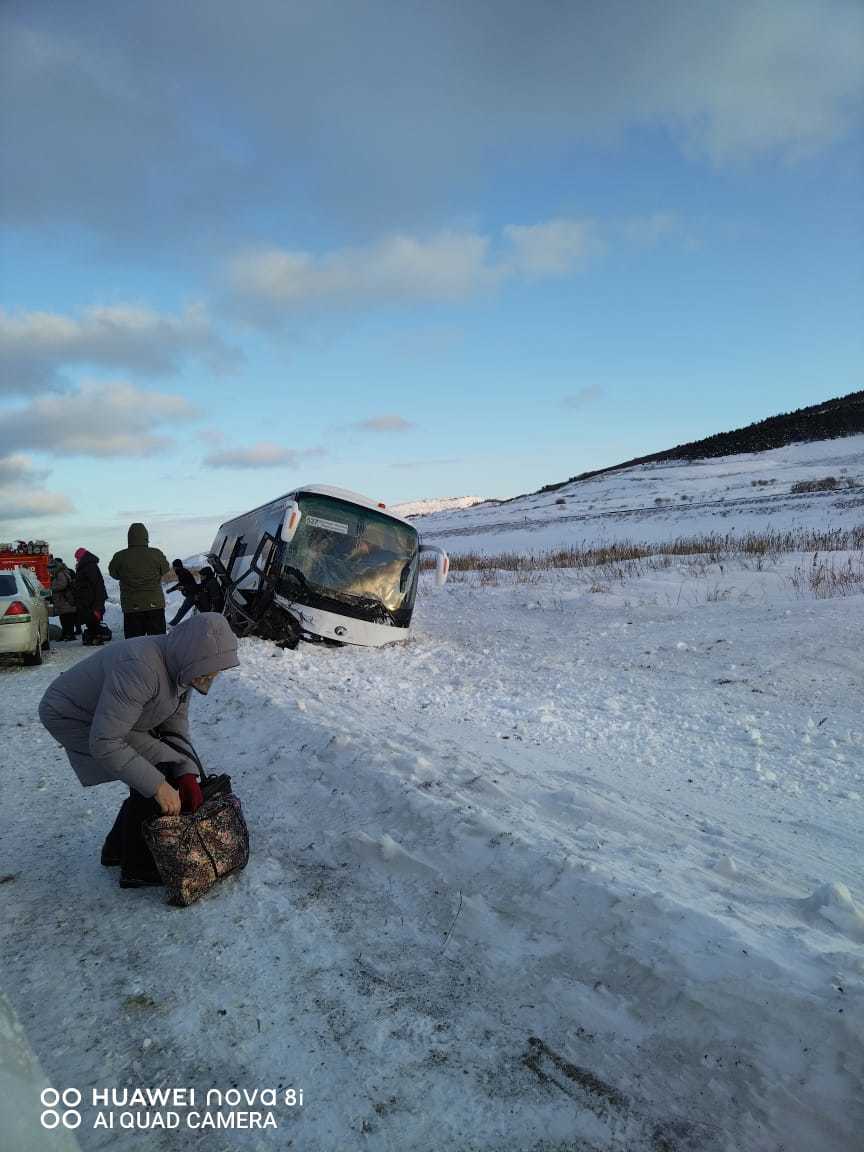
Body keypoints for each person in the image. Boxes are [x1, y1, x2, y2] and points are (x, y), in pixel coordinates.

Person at [38, 613, 239, 889]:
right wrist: (158, 786)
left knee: (164, 767)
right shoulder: (141, 668)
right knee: (153, 774)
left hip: (112, 716)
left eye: (216, 670)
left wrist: (187, 774)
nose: (211, 677)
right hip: (72, 714)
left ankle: (116, 850)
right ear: (191, 654)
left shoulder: (185, 667)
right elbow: (106, 741)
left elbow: (174, 727)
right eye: (208, 670)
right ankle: (138, 867)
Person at [109, 522, 170, 638]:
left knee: (134, 643)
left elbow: (114, 574)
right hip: (154, 604)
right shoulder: (156, 553)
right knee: (158, 641)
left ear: (129, 538)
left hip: (131, 605)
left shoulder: (120, 556)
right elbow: (165, 569)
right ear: (146, 537)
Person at [73, 547, 108, 646]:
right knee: (91, 621)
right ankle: (93, 638)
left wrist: (97, 604)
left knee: (93, 620)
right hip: (88, 601)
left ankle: (96, 639)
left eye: (77, 558)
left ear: (82, 557)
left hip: (92, 601)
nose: (77, 560)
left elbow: (97, 585)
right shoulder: (87, 566)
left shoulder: (89, 566)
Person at [49, 557, 77, 641]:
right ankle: (66, 634)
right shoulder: (61, 572)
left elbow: (62, 585)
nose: (49, 571)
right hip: (64, 600)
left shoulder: (60, 574)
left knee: (67, 618)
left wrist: (51, 588)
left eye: (51, 568)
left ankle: (69, 635)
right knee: (64, 618)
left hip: (65, 599)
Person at [167, 559, 199, 627]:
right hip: (192, 594)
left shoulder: (182, 572)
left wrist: (183, 588)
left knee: (182, 611)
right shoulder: (182, 572)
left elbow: (191, 585)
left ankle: (171, 625)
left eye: (174, 566)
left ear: (177, 566)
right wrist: (171, 589)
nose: (173, 568)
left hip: (192, 595)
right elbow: (182, 583)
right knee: (183, 610)